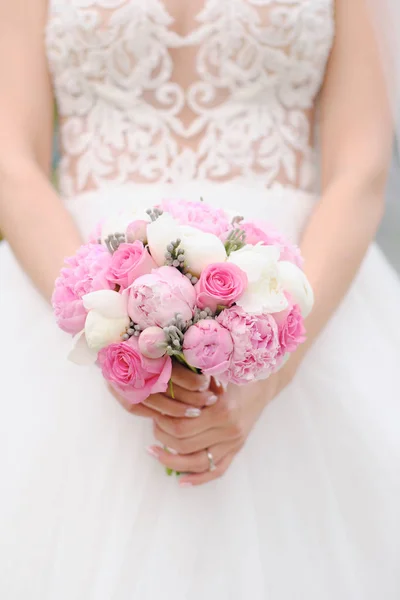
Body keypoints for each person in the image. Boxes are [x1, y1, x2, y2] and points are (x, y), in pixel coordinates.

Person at [0, 1, 399, 598]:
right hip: (78, 279)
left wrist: (272, 365)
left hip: (299, 285)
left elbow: (361, 165)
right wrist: (104, 325)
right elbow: (11, 159)